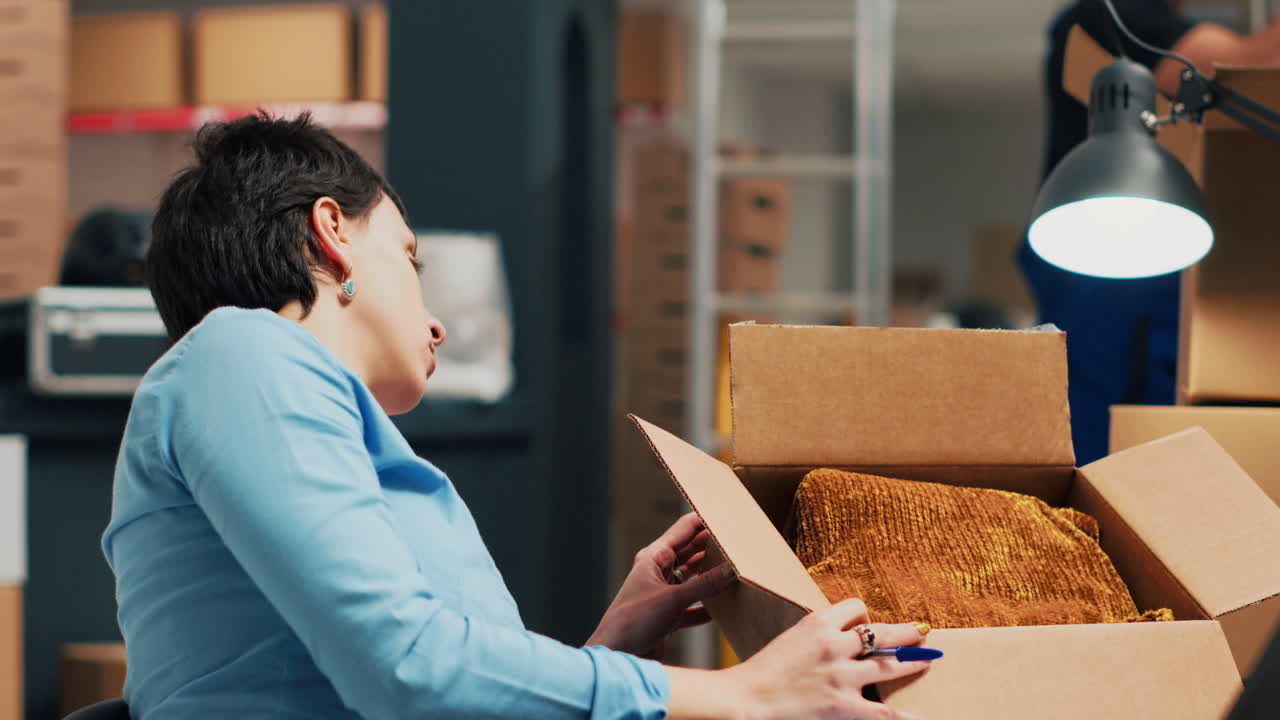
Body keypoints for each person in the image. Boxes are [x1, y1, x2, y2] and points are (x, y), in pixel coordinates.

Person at [102, 113, 934, 719]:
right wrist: (742, 693)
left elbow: (419, 685)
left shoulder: (278, 393)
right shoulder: (241, 354)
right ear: (332, 233)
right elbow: (408, 669)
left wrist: (613, 642)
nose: (435, 322)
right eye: (409, 258)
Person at [1020, 0, 1280, 464]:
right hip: (1101, 258)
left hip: (1162, 257)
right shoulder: (1110, 19)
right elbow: (1239, 63)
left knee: (1166, 438)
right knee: (1092, 445)